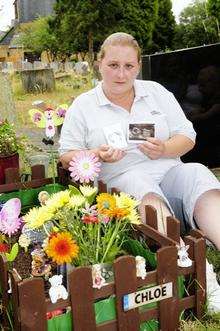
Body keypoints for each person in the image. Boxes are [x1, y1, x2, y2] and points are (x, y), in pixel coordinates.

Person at [59, 32, 220, 252]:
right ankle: (181, 259)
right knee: (138, 181)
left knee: (198, 173)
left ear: (138, 66)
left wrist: (165, 148)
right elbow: (66, 156)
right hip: (121, 182)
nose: (121, 74)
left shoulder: (156, 93)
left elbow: (187, 136)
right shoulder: (83, 106)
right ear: (99, 64)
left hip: (169, 173)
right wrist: (96, 154)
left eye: (129, 66)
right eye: (113, 65)